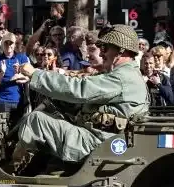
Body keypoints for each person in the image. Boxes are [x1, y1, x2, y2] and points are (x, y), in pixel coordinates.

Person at [9, 24, 149, 171]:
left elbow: (79, 89)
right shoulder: (127, 75)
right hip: (102, 138)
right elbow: (80, 79)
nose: (101, 54)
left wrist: (35, 75)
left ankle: (13, 175)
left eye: (105, 48)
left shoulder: (122, 78)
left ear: (121, 51)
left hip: (96, 142)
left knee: (36, 120)